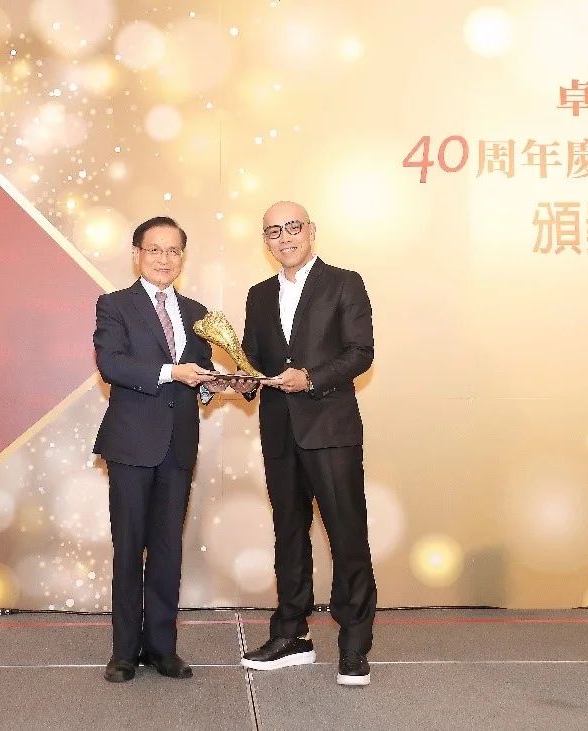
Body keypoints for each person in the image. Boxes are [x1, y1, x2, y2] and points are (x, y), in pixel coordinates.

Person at [235, 200, 378, 686]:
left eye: (292, 227)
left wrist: (311, 377)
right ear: (265, 240)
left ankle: (354, 644)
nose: (285, 238)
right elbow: (254, 359)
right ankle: (291, 634)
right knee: (289, 534)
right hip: (279, 430)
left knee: (348, 537)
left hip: (331, 430)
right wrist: (241, 379)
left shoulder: (344, 283)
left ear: (311, 231)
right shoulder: (258, 294)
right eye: (273, 231)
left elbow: (360, 352)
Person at [92, 216, 222, 683]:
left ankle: (163, 648)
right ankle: (125, 652)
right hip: (131, 445)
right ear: (137, 255)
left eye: (173, 251)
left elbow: (199, 370)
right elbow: (112, 364)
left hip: (178, 445)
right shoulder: (115, 305)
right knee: (129, 549)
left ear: (182, 257)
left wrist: (212, 384)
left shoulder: (197, 312)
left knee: (168, 550)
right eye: (155, 250)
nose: (164, 259)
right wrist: (172, 372)